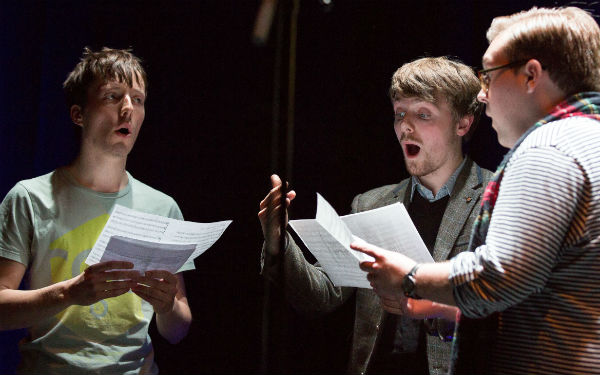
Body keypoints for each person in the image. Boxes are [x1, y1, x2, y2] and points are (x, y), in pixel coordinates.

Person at [354, 6, 600, 375]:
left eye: (489, 76)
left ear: (531, 75)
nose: (482, 95)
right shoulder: (588, 138)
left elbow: (496, 278)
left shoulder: (547, 148)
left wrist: (410, 276)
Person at [259, 56, 492, 375]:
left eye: (423, 114)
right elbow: (323, 293)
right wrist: (278, 243)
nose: (406, 127)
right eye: (400, 114)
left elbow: (505, 304)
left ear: (463, 123)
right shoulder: (371, 204)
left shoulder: (496, 197)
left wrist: (427, 301)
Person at [0, 47, 193, 374]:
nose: (128, 109)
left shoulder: (163, 208)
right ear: (79, 114)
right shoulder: (29, 198)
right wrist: (69, 293)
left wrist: (167, 305)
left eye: (138, 99)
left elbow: (178, 329)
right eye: (112, 96)